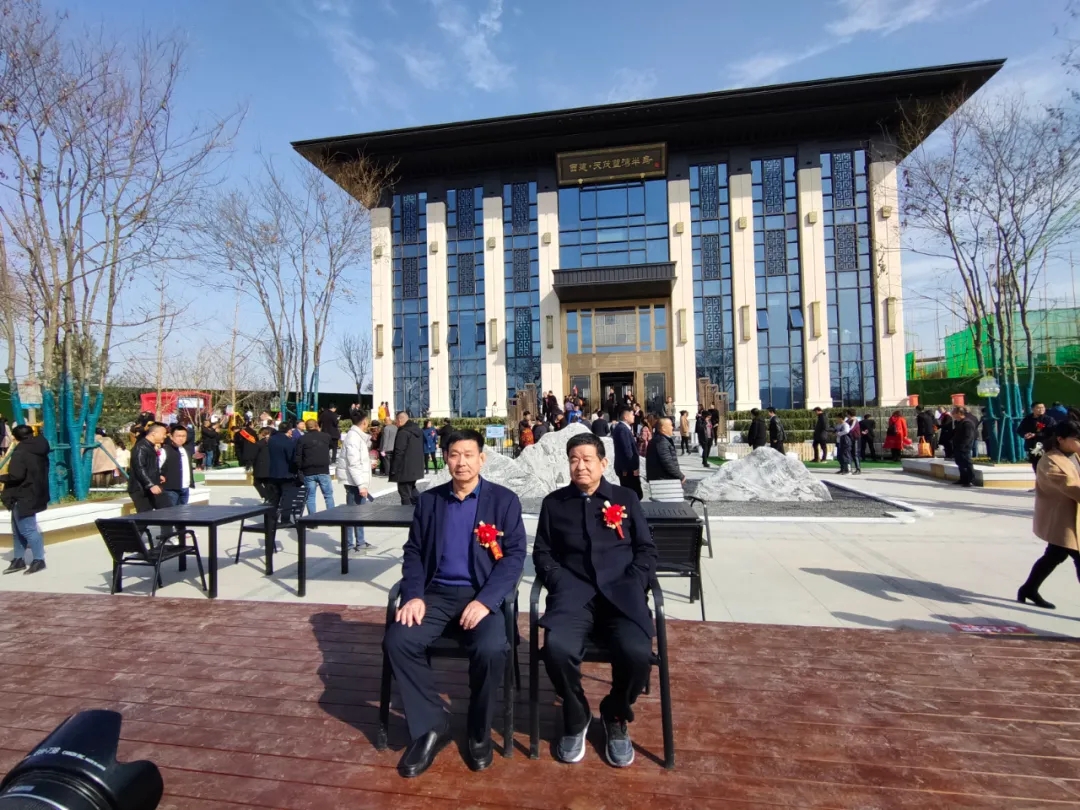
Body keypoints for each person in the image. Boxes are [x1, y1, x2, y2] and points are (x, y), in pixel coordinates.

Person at [382, 429, 526, 778]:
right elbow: (414, 551)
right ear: (445, 458)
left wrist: (486, 601)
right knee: (398, 640)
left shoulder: (503, 500)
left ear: (482, 459)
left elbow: (514, 557)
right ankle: (432, 725)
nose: (461, 462)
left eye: (468, 454)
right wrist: (413, 595)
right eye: (454, 455)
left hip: (481, 595)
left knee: (491, 649)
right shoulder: (430, 501)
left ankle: (478, 729)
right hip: (436, 595)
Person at [533, 433, 658, 768]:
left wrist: (635, 581)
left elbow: (646, 549)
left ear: (603, 463)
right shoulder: (554, 503)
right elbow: (543, 553)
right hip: (574, 596)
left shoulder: (626, 498)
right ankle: (577, 716)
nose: (580, 466)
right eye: (574, 459)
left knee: (637, 653)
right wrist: (559, 581)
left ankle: (615, 714)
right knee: (556, 649)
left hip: (621, 595)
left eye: (587, 459)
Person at [1017, 420, 1080, 610]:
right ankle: (1028, 589)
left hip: (1074, 518)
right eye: (1076, 439)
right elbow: (1068, 486)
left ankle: (1028, 589)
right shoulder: (1050, 461)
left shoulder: (1076, 455)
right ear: (1060, 439)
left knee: (1054, 555)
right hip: (1062, 518)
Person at [1, 425, 50, 575]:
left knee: (27, 529)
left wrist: (2, 478)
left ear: (15, 437)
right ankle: (18, 559)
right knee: (17, 530)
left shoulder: (21, 451)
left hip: (23, 494)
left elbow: (16, 475)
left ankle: (39, 560)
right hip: (35, 492)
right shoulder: (40, 446)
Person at [337, 411, 374, 552]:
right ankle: (349, 545)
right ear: (364, 421)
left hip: (356, 480)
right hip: (354, 482)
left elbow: (358, 461)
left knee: (359, 513)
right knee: (353, 514)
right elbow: (353, 464)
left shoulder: (357, 436)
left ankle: (360, 541)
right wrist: (361, 485)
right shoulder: (353, 438)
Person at [296, 419, 335, 515]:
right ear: (317, 425)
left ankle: (312, 518)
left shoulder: (302, 439)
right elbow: (331, 446)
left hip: (308, 470)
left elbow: (298, 455)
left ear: (306, 427)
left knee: (310, 497)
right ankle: (332, 516)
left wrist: (300, 468)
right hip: (323, 469)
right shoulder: (326, 436)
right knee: (328, 495)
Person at [127, 422, 167, 514]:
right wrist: (150, 484)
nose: (165, 436)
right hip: (141, 489)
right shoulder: (141, 447)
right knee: (145, 516)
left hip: (150, 486)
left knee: (166, 510)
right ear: (153, 434)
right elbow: (139, 468)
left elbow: (149, 466)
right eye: (163, 434)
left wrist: (158, 475)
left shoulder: (150, 446)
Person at [645, 416, 685, 502]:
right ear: (663, 428)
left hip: (662, 481)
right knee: (670, 505)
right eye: (670, 425)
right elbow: (667, 462)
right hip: (664, 481)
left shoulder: (661, 439)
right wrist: (680, 476)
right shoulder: (661, 441)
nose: (672, 427)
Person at [390, 410, 425, 506]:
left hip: (404, 469)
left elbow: (399, 452)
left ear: (399, 420)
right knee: (412, 489)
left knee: (404, 493)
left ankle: (406, 513)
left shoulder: (403, 432)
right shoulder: (418, 431)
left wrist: (394, 469)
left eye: (396, 421)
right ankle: (422, 507)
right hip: (415, 468)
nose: (395, 423)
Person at [267, 426, 299, 525]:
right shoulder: (289, 442)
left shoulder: (271, 440)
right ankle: (285, 519)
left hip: (273, 472)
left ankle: (271, 519)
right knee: (287, 497)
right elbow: (292, 458)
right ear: (288, 430)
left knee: (274, 498)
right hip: (287, 473)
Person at [157, 424, 195, 508]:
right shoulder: (164, 450)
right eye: (178, 436)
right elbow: (156, 467)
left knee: (183, 513)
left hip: (185, 488)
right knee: (171, 513)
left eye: (183, 436)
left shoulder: (187, 450)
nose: (181, 438)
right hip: (171, 489)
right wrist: (159, 476)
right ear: (171, 437)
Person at [611, 407, 642, 500]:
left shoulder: (622, 428)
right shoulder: (623, 429)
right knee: (633, 494)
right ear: (625, 417)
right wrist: (633, 467)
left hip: (626, 468)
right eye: (632, 414)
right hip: (627, 468)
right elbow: (627, 450)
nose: (634, 416)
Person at [1018, 402, 1055, 474]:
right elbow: (1020, 430)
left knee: (1046, 464)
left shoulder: (1049, 419)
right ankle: (1039, 478)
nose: (1041, 409)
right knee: (1035, 464)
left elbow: (1051, 432)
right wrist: (1025, 434)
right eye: (1038, 408)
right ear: (1033, 409)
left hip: (1045, 445)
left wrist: (1036, 435)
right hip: (1032, 445)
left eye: (1042, 407)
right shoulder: (1028, 419)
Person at [951, 406, 977, 487]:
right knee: (960, 463)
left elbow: (968, 436)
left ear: (959, 413)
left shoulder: (967, 423)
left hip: (964, 447)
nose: (953, 414)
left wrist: (963, 446)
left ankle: (971, 480)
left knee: (967, 463)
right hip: (958, 446)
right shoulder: (959, 422)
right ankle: (963, 478)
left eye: (954, 413)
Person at [251, 427, 275, 502]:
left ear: (262, 434)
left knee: (257, 482)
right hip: (270, 465)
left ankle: (266, 496)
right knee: (266, 483)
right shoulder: (273, 442)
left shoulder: (259, 444)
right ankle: (269, 497)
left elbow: (254, 455)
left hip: (260, 466)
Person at [846, 410, 862, 475]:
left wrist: (844, 431)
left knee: (855, 453)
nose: (846, 415)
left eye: (847, 414)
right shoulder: (848, 420)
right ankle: (849, 468)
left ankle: (858, 469)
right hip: (850, 438)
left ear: (849, 414)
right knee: (851, 453)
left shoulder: (855, 420)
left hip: (856, 438)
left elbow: (851, 429)